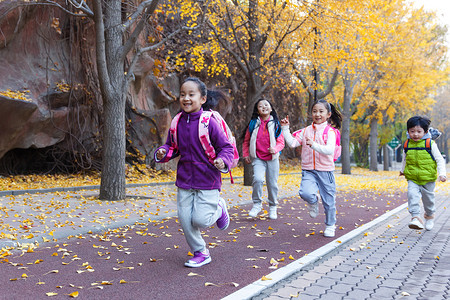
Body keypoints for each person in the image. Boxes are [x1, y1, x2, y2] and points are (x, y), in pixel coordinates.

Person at [154, 77, 235, 268]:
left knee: (200, 220)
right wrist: (163, 152)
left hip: (207, 178)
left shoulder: (209, 122)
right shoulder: (177, 122)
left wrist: (222, 161)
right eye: (183, 94)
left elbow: (226, 148)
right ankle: (201, 252)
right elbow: (172, 146)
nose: (186, 98)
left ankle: (219, 208)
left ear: (203, 99)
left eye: (191, 94)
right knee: (184, 219)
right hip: (184, 179)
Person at [281, 99, 342, 237]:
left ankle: (330, 225)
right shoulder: (306, 131)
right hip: (308, 170)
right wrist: (285, 129)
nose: (317, 114)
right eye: (314, 111)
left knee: (329, 201)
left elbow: (329, 150)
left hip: (326, 170)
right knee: (305, 193)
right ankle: (313, 202)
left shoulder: (330, 132)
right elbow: (292, 143)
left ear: (328, 114)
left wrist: (313, 144)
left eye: (321, 111)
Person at [400, 116, 447, 231]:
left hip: (428, 178)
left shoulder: (430, 144)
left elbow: (439, 159)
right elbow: (404, 158)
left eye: (419, 131)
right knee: (412, 195)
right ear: (408, 131)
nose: (415, 134)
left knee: (428, 200)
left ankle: (429, 216)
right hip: (412, 177)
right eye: (412, 131)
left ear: (425, 132)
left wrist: (442, 174)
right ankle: (415, 217)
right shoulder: (407, 144)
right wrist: (402, 170)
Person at [242, 99, 284, 220]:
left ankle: (272, 206)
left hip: (272, 158)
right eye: (260, 106)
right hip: (258, 157)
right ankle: (257, 204)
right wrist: (246, 154)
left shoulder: (275, 124)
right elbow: (246, 141)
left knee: (272, 184)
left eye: (266, 105)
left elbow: (281, 142)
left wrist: (275, 149)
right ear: (257, 110)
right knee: (258, 179)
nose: (264, 107)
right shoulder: (253, 123)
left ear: (271, 109)